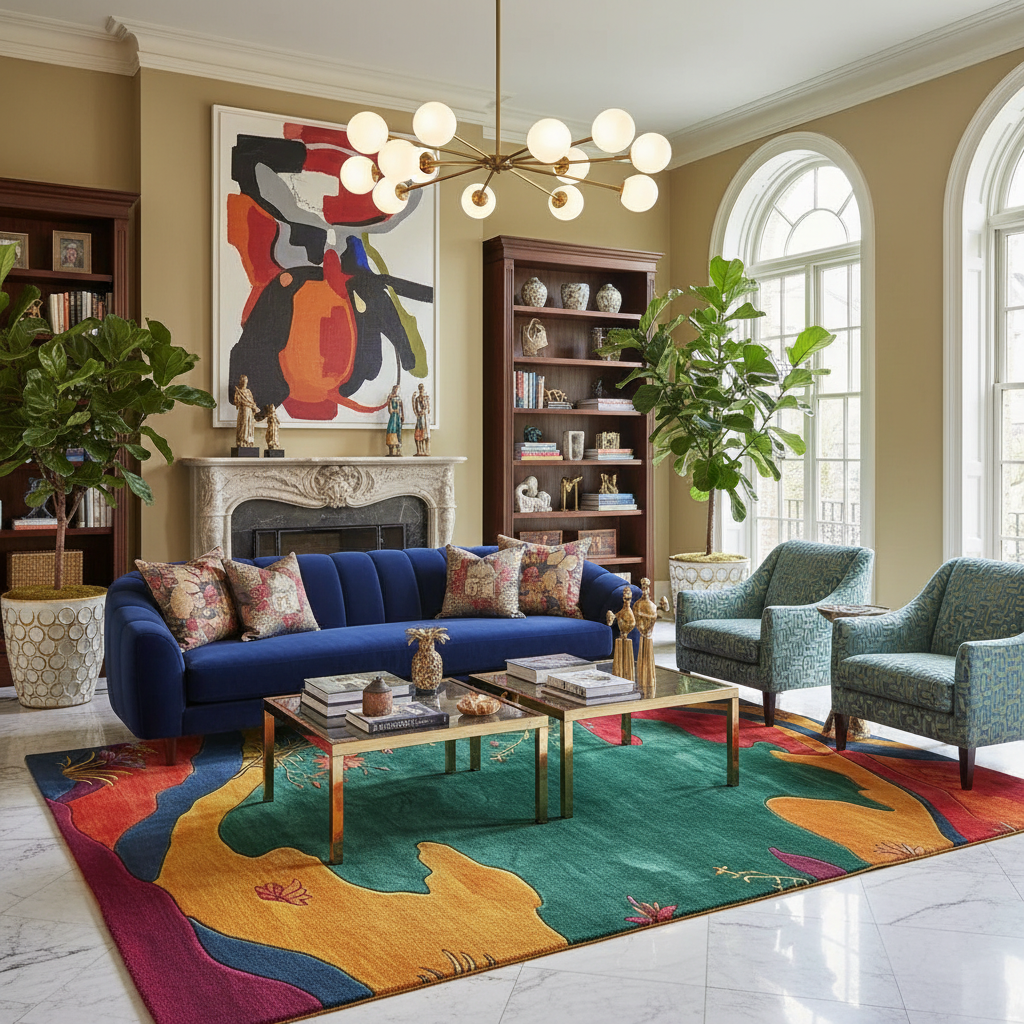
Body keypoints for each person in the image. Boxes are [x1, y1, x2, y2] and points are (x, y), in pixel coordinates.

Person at [232, 374, 259, 448]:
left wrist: (253, 406)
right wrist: (243, 402)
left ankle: (248, 441)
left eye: (246, 381)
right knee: (243, 424)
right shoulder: (238, 391)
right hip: (243, 410)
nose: (244, 383)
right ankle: (242, 440)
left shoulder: (248, 391)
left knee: (249, 424)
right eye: (243, 381)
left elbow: (252, 401)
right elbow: (236, 402)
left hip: (250, 410)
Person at [412, 383, 430, 456]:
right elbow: (416, 409)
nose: (421, 390)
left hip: (425, 418)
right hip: (420, 418)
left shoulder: (426, 398)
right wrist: (413, 399)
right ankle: (420, 450)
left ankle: (426, 450)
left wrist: (424, 411)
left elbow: (428, 408)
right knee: (419, 434)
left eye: (422, 389)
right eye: (420, 389)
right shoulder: (417, 399)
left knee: (426, 434)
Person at [385, 384, 403, 456]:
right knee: (391, 429)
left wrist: (402, 415)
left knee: (398, 430)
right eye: (395, 389)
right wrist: (392, 408)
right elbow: (390, 409)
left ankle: (398, 450)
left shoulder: (399, 398)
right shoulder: (390, 397)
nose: (396, 391)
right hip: (393, 416)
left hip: (398, 416)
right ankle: (391, 450)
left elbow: (401, 407)